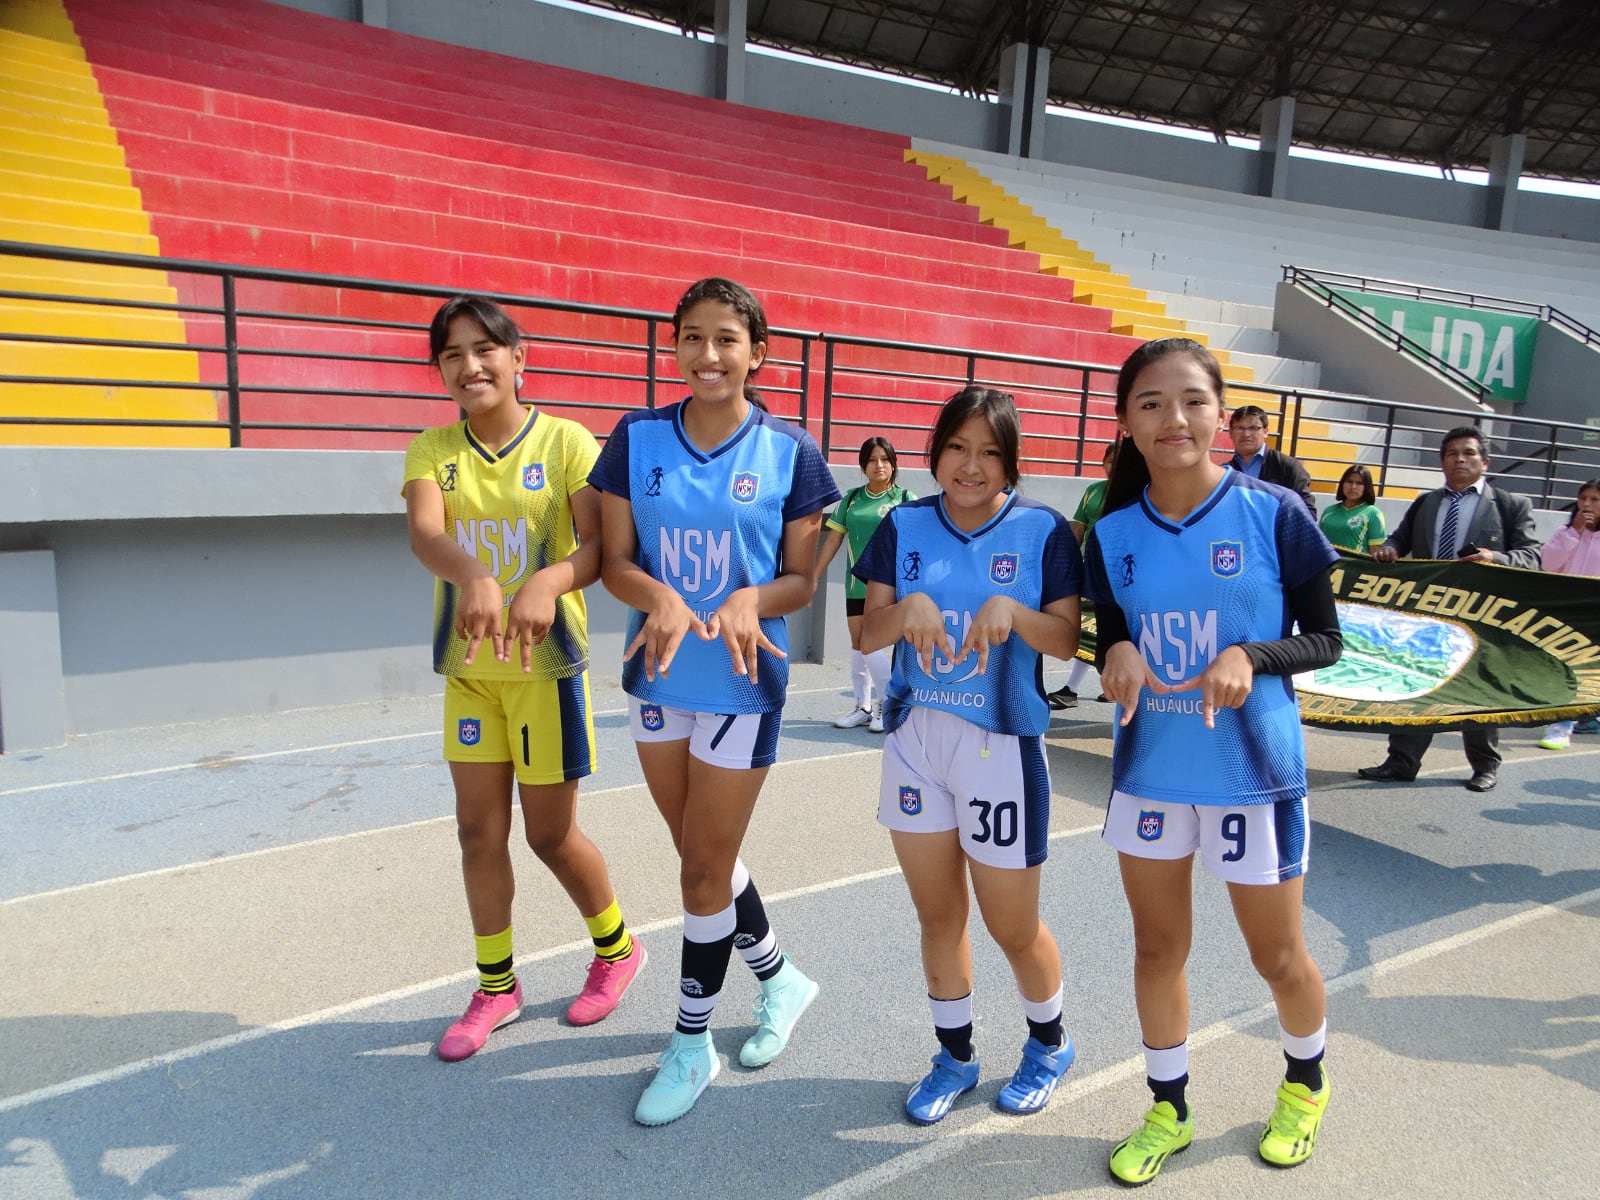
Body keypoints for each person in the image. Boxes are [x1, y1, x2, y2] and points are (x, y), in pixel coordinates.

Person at [1083, 338, 1343, 1183]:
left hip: (1251, 776)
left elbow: (1328, 640)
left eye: (1193, 400)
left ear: (1221, 414)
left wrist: (1253, 657)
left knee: (1279, 957)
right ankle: (1169, 1107)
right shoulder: (1112, 532)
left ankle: (1305, 1084)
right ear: (1126, 421)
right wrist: (1112, 648)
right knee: (1158, 951)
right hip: (1153, 773)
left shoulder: (1274, 514)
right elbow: (1112, 630)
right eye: (1151, 403)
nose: (1174, 419)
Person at [589, 277, 840, 1126]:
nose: (708, 354)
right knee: (702, 857)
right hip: (658, 677)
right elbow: (614, 558)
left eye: (726, 338)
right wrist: (652, 593)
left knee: (700, 869)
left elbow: (803, 579)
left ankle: (691, 1045)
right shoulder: (637, 436)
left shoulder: (792, 453)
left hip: (739, 682)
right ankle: (782, 979)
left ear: (756, 353)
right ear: (674, 348)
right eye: (692, 337)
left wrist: (751, 599)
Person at [402, 296, 644, 1063]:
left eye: (485, 349)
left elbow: (600, 547)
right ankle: (496, 985)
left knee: (548, 834)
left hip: (545, 672)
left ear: (517, 355)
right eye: (453, 355)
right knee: (479, 831)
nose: (470, 366)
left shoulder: (568, 441)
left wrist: (549, 580)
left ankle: (616, 950)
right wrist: (471, 572)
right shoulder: (432, 450)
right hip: (472, 675)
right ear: (440, 369)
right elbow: (426, 533)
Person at [855, 386, 1083, 1126]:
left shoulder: (1044, 531)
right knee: (938, 917)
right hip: (916, 742)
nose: (972, 465)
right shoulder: (903, 523)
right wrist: (904, 613)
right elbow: (864, 633)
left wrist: (1015, 614)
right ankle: (954, 1056)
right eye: (958, 447)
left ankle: (1049, 1044)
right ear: (937, 451)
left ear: (1011, 462)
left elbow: (1068, 640)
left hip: (1001, 748)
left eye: (990, 452)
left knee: (1011, 926)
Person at [1356, 425, 1541, 792]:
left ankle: (1485, 765)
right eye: (1452, 453)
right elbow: (1399, 538)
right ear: (1442, 462)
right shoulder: (1426, 503)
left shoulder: (1509, 505)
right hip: (1427, 615)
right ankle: (1401, 762)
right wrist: (1390, 549)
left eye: (1469, 453)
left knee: (1478, 691)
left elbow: (1532, 556)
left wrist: (1495, 557)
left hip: (1481, 618)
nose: (1460, 459)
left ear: (1484, 461)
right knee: (1416, 684)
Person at [812, 437, 915, 733]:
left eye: (884, 459)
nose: (878, 465)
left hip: (890, 587)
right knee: (858, 645)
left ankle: (888, 703)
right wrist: (814, 575)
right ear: (863, 466)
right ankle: (863, 707)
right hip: (855, 584)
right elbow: (833, 539)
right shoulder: (852, 498)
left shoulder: (905, 498)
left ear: (893, 464)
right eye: (872, 460)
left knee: (873, 644)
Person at [1048, 438, 1117, 709]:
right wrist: (1066, 564)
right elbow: (1077, 529)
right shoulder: (1093, 491)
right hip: (1093, 570)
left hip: (1121, 574)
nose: (1114, 467)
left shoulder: (1135, 492)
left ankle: (1110, 683)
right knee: (1089, 627)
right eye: (1110, 461)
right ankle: (1071, 689)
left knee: (1110, 630)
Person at [1537, 478, 1600, 750]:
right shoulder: (1567, 532)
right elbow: (1548, 563)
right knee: (1569, 670)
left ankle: (1585, 717)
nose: (1586, 505)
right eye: (1583, 498)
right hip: (1569, 612)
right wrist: (1575, 532)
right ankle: (1561, 727)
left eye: (1594, 499)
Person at [1226, 405, 1316, 514]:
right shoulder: (1224, 472)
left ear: (1265, 432)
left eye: (1253, 428)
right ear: (1230, 433)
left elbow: (1307, 511)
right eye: (1240, 428)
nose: (1246, 434)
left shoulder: (1287, 467)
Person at [1318, 464, 1387, 553]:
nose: (1353, 487)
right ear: (1342, 484)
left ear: (1366, 487)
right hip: (1329, 566)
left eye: (1359, 483)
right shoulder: (1329, 511)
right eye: (1349, 482)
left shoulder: (1373, 514)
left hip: (1356, 567)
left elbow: (1376, 553)